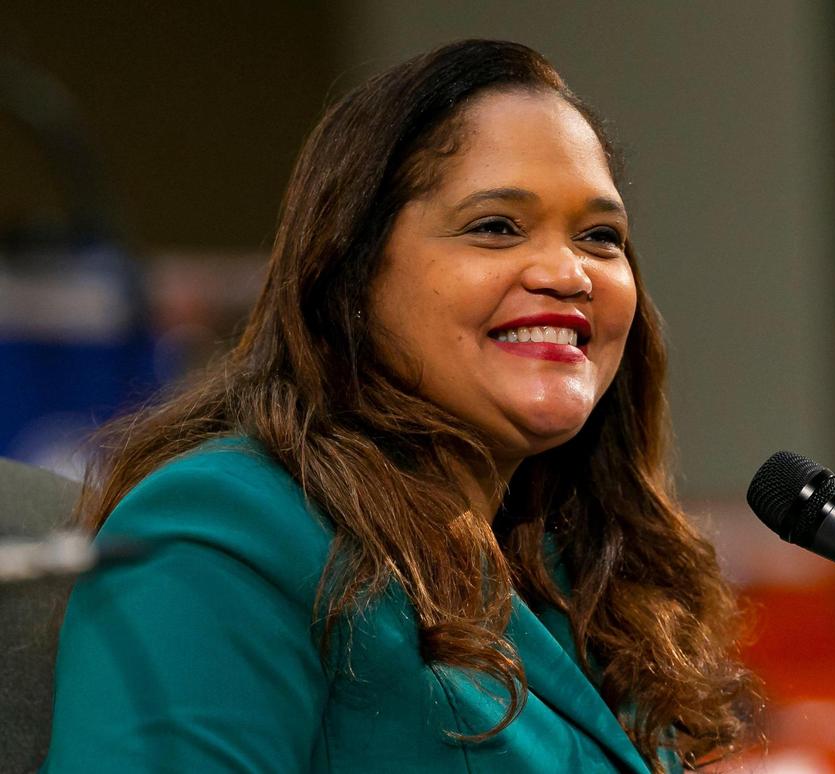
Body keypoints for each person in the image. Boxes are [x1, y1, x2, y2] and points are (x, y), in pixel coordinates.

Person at [44, 40, 761, 773]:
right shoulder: (223, 529)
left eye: (600, 237)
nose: (567, 272)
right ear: (350, 273)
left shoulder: (585, 578)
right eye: (497, 227)